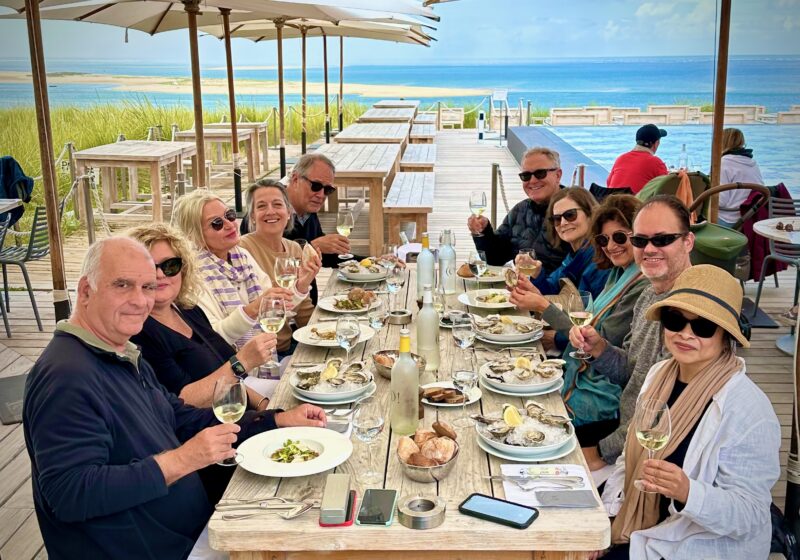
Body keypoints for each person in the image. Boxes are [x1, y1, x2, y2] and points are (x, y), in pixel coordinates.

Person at [23, 237, 327, 559]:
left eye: (147, 287)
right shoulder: (66, 375)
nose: (140, 301)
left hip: (198, 530)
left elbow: (180, 417)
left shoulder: (121, 353)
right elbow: (70, 493)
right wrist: (183, 459)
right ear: (86, 291)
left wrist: (277, 419)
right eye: (123, 285)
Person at [594, 265, 779, 560]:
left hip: (695, 545)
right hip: (641, 523)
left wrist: (688, 492)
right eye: (675, 320)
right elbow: (627, 464)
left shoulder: (748, 409)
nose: (685, 334)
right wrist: (608, 521)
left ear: (725, 336)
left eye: (703, 326)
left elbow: (750, 515)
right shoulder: (659, 376)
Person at [569, 195, 695, 471]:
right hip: (623, 429)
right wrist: (600, 348)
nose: (649, 249)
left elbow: (671, 414)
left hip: (650, 457)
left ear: (688, 241)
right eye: (640, 240)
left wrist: (601, 452)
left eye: (661, 239)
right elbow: (633, 372)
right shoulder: (649, 294)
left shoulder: (692, 317)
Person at [171, 190, 320, 397]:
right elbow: (213, 337)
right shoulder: (193, 276)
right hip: (232, 381)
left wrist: (301, 284)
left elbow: (272, 307)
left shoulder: (240, 255)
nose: (230, 224)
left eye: (230, 215)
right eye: (216, 223)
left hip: (264, 364)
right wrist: (253, 309)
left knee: (318, 373)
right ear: (195, 234)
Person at [547, 195, 648, 444]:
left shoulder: (641, 285)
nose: (611, 245)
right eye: (603, 239)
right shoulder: (616, 272)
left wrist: (545, 309)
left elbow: (602, 340)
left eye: (620, 237)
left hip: (601, 397)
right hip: (581, 375)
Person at [509, 188, 610, 330]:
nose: (562, 223)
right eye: (556, 219)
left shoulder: (599, 262)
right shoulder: (574, 254)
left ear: (590, 214)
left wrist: (556, 340)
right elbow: (551, 290)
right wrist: (536, 274)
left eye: (570, 215)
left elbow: (592, 320)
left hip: (577, 344)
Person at [239, 179, 316, 355]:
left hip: (289, 345)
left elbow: (303, 307)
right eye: (261, 206)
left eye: (277, 204)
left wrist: (320, 336)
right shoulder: (243, 249)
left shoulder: (294, 248)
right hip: (263, 356)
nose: (270, 211)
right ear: (252, 216)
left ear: (288, 212)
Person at [468, 146, 568, 272]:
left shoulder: (573, 214)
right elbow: (495, 258)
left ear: (558, 175)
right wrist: (483, 232)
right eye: (526, 176)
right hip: (521, 287)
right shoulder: (520, 210)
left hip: (558, 290)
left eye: (540, 173)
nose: (532, 180)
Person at [717, 127, 765, 227]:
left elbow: (721, 202)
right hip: (751, 216)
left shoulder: (723, 163)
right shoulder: (752, 162)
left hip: (729, 220)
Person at [606, 124, 669, 194]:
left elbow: (609, 182)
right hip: (635, 203)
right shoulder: (656, 162)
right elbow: (667, 188)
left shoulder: (621, 158)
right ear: (656, 143)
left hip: (611, 202)